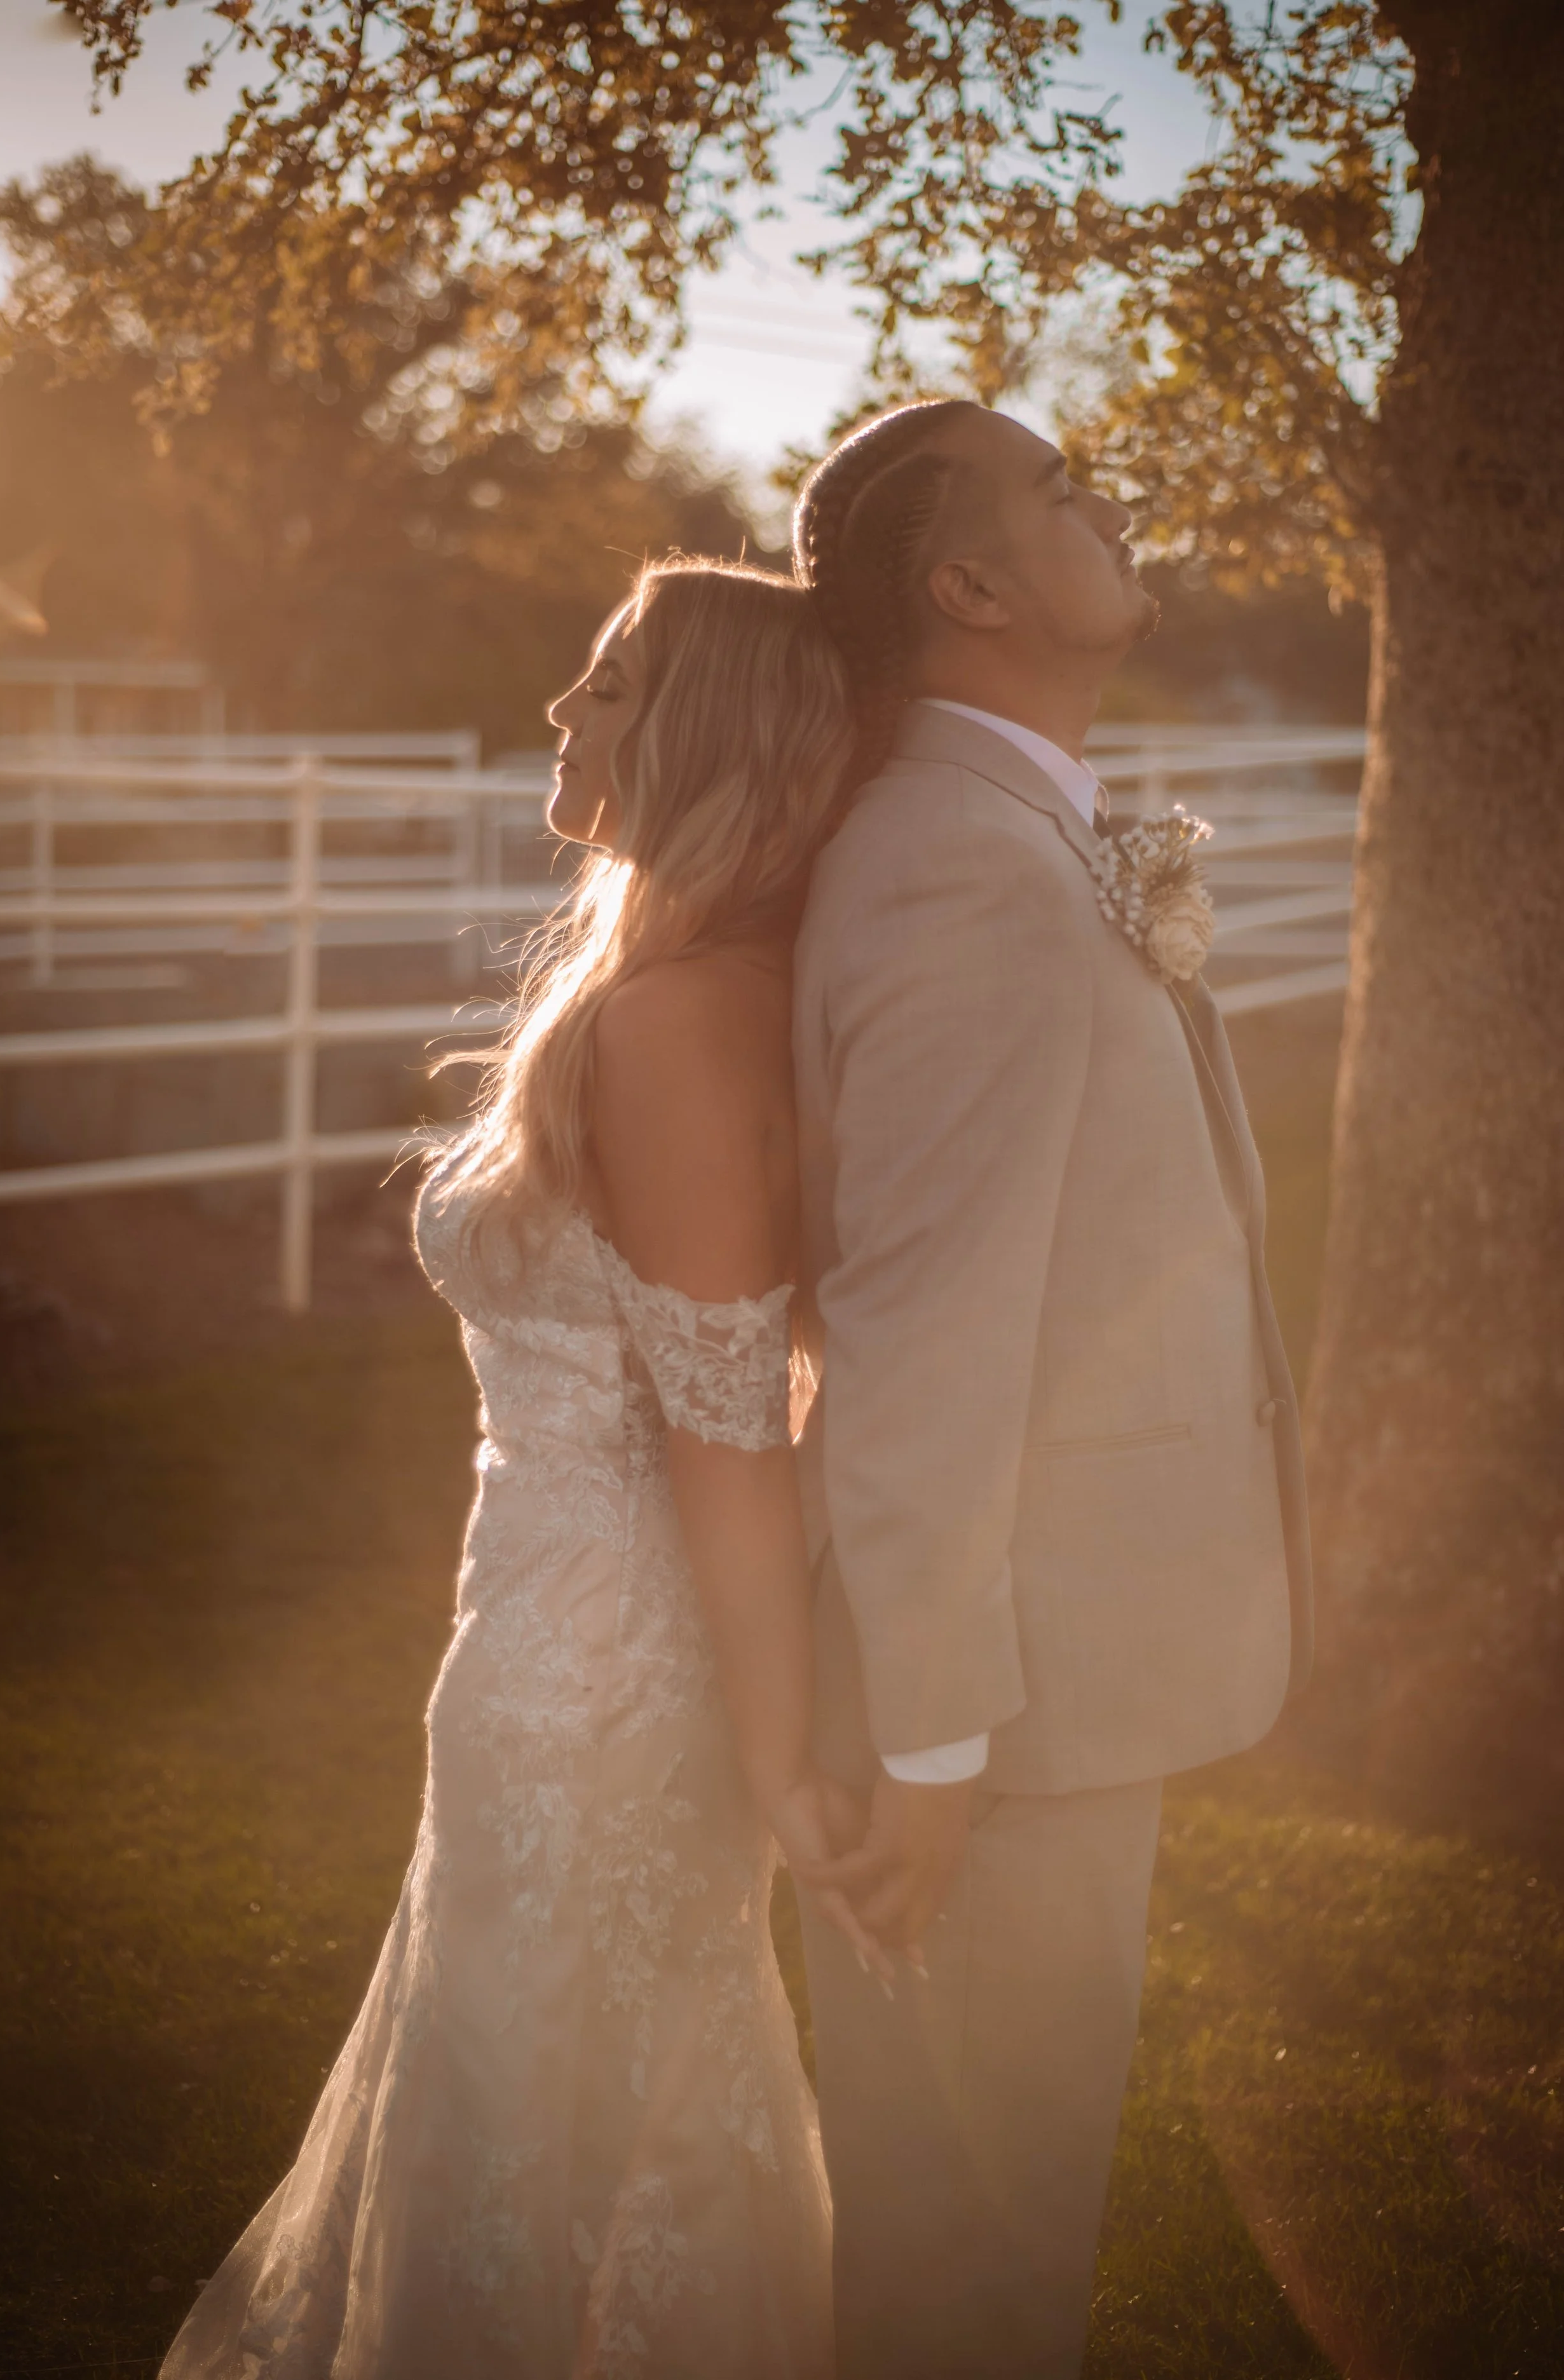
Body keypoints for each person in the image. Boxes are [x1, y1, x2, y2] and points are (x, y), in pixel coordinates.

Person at [157, 556, 876, 2380]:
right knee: (558, 2090)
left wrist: (785, 1763)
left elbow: (731, 1431)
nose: (562, 709)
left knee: (567, 2105)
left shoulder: (678, 1020)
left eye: (609, 683)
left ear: (707, 735)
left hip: (603, 1675)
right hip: (550, 1632)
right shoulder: (671, 992)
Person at [787, 400, 1315, 2380]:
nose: (1112, 506)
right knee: (967, 2268)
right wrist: (932, 1742)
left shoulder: (1008, 837)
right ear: (968, 585)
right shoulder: (959, 864)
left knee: (991, 2244)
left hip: (1041, 1685)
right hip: (997, 1717)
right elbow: (916, 1333)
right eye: (1062, 489)